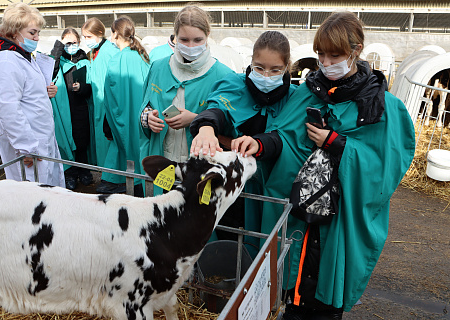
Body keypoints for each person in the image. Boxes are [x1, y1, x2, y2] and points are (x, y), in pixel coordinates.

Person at [259, 12, 415, 319]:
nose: (326, 63)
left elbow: (385, 169)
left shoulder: (382, 106)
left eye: (336, 55)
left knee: (324, 299)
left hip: (339, 220)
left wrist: (337, 144)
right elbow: (286, 137)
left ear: (356, 50)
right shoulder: (307, 91)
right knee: (291, 291)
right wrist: (262, 143)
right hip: (301, 216)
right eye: (321, 55)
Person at [189, 31, 297, 252]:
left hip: (270, 189)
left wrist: (256, 143)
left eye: (275, 70)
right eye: (259, 67)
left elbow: (291, 139)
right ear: (250, 62)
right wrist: (207, 128)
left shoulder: (295, 97)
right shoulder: (233, 84)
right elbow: (216, 109)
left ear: (287, 67)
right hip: (231, 186)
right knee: (228, 240)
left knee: (263, 243)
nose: (266, 75)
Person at [139, 4, 233, 194]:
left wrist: (196, 119)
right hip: (164, 161)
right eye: (184, 39)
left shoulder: (224, 75)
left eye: (198, 40)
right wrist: (147, 118)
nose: (190, 46)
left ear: (208, 36)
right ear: (174, 37)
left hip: (200, 167)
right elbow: (145, 105)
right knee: (163, 213)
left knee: (194, 217)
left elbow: (231, 128)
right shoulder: (157, 68)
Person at [0, 3, 65, 187]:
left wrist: (46, 91)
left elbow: (26, 93)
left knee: (46, 193)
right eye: (32, 33)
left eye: (38, 33)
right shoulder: (6, 61)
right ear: (15, 31)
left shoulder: (23, 55)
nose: (37, 38)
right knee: (31, 196)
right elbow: (8, 108)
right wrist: (26, 147)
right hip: (28, 144)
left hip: (39, 137)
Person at [96, 16, 150, 195]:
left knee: (125, 151)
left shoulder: (116, 60)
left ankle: (126, 185)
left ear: (116, 34)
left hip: (123, 118)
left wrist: (110, 122)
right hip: (143, 119)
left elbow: (110, 98)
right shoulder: (143, 57)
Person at [50, 27, 94, 190]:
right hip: (63, 109)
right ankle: (70, 173)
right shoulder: (56, 59)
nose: (71, 45)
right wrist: (59, 48)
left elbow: (91, 86)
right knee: (65, 141)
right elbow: (50, 72)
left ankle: (84, 170)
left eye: (74, 42)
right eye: (67, 42)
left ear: (79, 42)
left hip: (80, 106)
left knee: (81, 140)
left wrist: (82, 88)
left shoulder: (85, 61)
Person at [81, 17, 119, 167]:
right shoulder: (94, 52)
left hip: (106, 103)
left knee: (109, 141)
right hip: (97, 102)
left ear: (100, 33)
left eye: (89, 37)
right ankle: (105, 171)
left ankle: (111, 175)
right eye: (84, 37)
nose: (86, 40)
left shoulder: (110, 51)